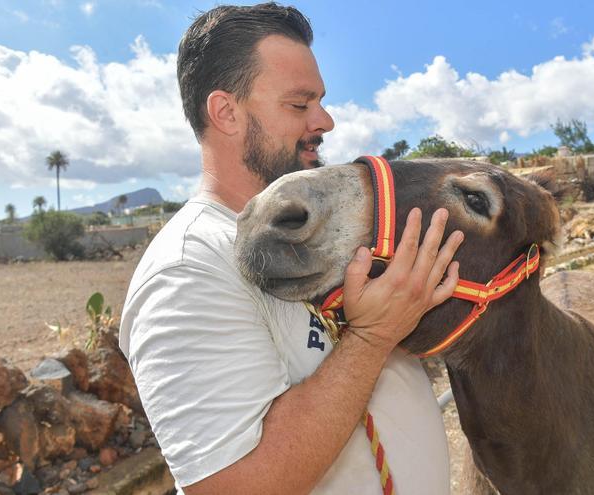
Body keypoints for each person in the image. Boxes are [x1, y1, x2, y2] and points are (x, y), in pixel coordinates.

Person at [118, 3, 464, 494]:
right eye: (299, 105)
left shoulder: (319, 230)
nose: (325, 121)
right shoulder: (187, 269)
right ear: (226, 113)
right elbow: (234, 487)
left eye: (319, 102)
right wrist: (371, 337)